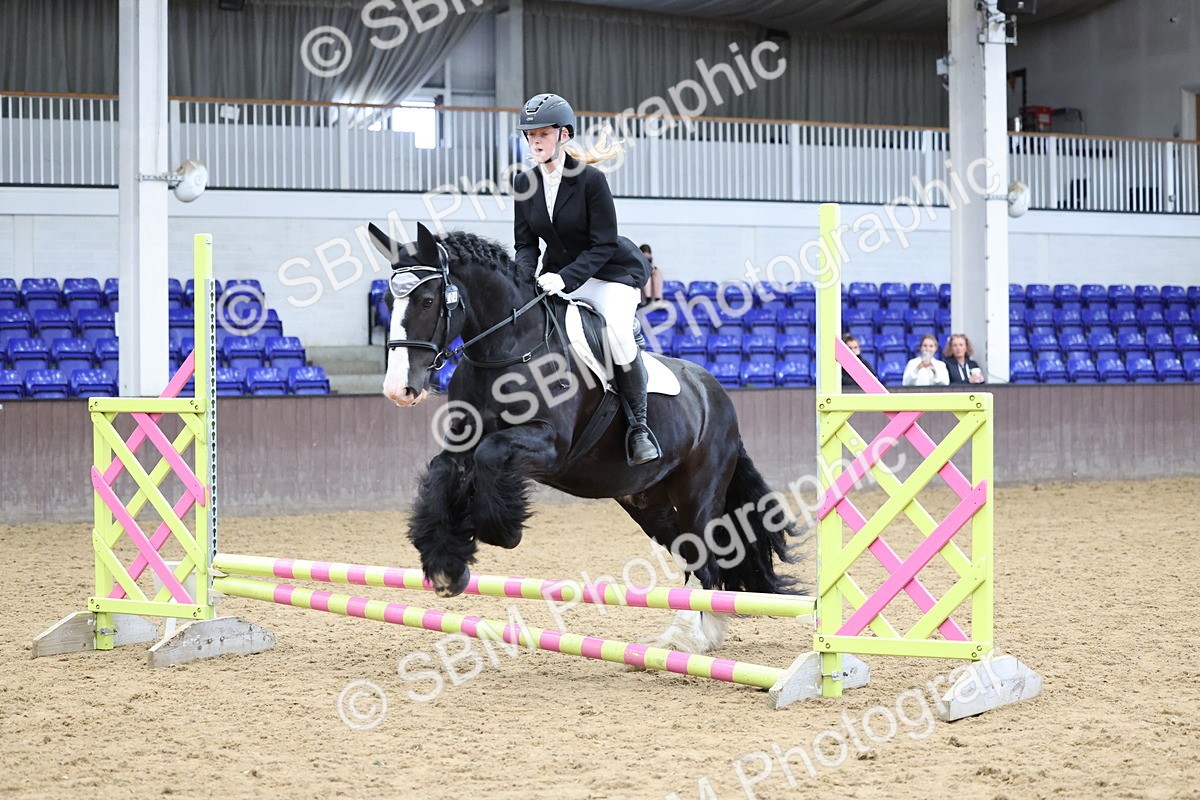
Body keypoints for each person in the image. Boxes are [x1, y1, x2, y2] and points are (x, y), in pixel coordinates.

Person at [511, 93, 660, 464]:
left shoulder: (590, 180)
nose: (535, 142)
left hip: (610, 273)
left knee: (618, 335)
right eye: (529, 135)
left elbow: (604, 243)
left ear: (563, 135)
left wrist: (564, 279)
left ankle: (639, 428)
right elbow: (525, 243)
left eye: (542, 133)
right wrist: (521, 279)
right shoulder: (523, 183)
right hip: (557, 274)